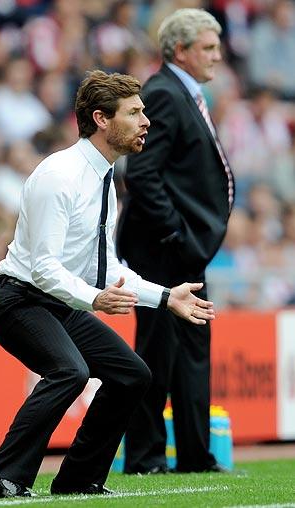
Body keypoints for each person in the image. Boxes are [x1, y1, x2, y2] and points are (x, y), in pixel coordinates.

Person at [0, 69, 215, 498]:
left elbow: (106, 269)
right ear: (102, 119)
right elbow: (46, 268)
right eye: (136, 113)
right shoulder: (60, 175)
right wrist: (95, 299)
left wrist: (164, 297)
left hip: (57, 303)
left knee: (132, 375)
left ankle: (79, 478)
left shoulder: (105, 179)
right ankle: (1, 480)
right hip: (18, 301)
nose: (147, 121)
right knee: (70, 371)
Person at [117, 8, 234, 474]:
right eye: (207, 47)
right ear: (180, 50)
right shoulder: (164, 93)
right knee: (159, 351)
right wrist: (175, 233)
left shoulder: (182, 93)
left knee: (190, 352)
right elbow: (142, 172)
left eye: (217, 47)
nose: (217, 56)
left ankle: (194, 455)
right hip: (165, 250)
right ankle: (145, 457)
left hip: (182, 250)